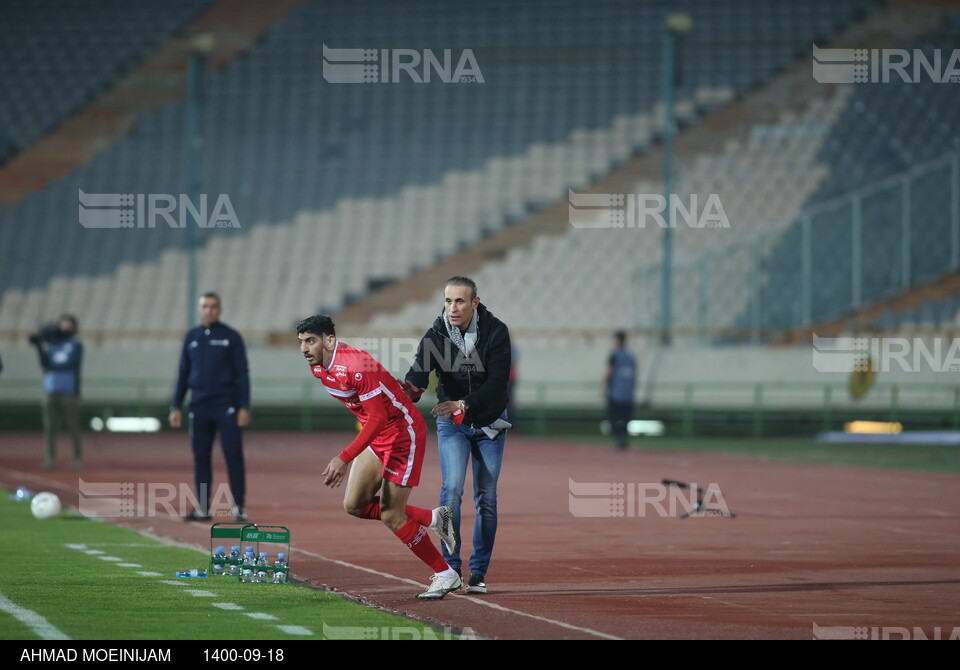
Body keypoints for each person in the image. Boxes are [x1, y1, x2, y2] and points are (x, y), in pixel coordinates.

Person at [297, 315, 460, 600]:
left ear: (330, 340)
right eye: (301, 342)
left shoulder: (356, 365)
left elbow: (376, 418)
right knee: (354, 505)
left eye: (311, 341)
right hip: (380, 436)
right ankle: (433, 518)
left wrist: (343, 458)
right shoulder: (319, 368)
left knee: (391, 515)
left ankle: (447, 574)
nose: (304, 348)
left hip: (401, 434)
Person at [400, 276, 512, 595]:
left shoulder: (496, 332)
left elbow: (497, 384)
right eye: (448, 301)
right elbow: (418, 373)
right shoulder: (436, 334)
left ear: (474, 303)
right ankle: (450, 569)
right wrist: (411, 388)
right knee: (450, 491)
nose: (452, 308)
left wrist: (465, 402)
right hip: (452, 423)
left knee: (486, 499)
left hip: (490, 422)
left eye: (459, 301)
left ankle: (478, 571)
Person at [169, 292, 251, 522]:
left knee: (233, 455)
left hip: (226, 406)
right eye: (205, 306)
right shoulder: (192, 337)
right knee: (200, 456)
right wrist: (176, 405)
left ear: (220, 309)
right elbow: (183, 373)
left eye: (213, 306)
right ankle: (203, 507)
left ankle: (239, 507)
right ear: (199, 309)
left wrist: (244, 406)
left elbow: (242, 374)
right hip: (199, 405)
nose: (209, 310)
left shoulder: (231, 337)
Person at [32, 314, 83, 470]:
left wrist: (51, 366)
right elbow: (44, 363)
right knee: (50, 428)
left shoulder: (75, 344)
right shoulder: (52, 345)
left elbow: (70, 363)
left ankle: (76, 458)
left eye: (68, 325)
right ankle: (50, 459)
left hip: (69, 391)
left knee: (73, 426)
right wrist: (39, 347)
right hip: (50, 389)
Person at [604, 330, 637, 450]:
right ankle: (624, 437)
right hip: (628, 394)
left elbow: (609, 372)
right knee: (625, 418)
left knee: (613, 417)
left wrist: (603, 388)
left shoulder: (614, 355)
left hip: (616, 393)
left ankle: (618, 437)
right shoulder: (631, 357)